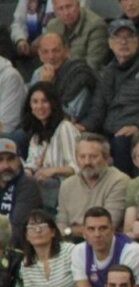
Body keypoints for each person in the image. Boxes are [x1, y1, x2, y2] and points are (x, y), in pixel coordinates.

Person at [80, 20, 139, 178]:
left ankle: (124, 190)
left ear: (137, 41)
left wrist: (138, 126)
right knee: (83, 142)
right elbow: (98, 108)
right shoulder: (108, 71)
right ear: (110, 43)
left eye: (129, 37)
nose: (123, 42)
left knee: (122, 141)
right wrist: (83, 127)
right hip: (110, 130)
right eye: (118, 38)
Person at [67, 207, 139, 287]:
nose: (97, 234)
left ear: (113, 230)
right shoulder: (79, 251)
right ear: (84, 233)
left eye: (103, 228)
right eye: (91, 229)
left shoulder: (132, 251)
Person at [20, 83, 79, 212]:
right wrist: (28, 171)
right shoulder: (36, 134)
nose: (39, 106)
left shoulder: (65, 128)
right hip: (43, 189)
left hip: (63, 191)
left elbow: (77, 167)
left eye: (44, 101)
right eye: (35, 102)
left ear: (53, 103)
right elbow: (32, 162)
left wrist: (53, 170)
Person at [56, 134, 129, 237]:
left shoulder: (119, 181)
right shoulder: (67, 185)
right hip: (70, 244)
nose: (87, 162)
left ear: (106, 157)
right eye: (82, 156)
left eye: (93, 156)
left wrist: (70, 231)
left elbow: (108, 226)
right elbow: (61, 223)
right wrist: (69, 231)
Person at [19, 210, 75, 287]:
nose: (37, 230)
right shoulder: (26, 263)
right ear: (26, 236)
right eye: (32, 227)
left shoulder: (70, 252)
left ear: (53, 232)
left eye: (42, 226)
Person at [25, 32, 95, 120]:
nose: (51, 57)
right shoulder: (38, 73)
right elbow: (30, 108)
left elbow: (71, 116)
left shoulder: (79, 74)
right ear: (40, 55)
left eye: (56, 51)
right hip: (39, 126)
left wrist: (46, 87)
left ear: (66, 51)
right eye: (45, 52)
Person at [43, 0, 107, 72]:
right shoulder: (53, 26)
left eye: (69, 6)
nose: (66, 13)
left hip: (86, 78)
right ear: (55, 11)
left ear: (78, 4)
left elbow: (92, 65)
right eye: (60, 8)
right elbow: (47, 60)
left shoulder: (96, 25)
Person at [0, 137, 40, 246]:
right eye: (0, 160)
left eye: (10, 159)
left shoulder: (28, 184)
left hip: (17, 250)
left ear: (19, 161)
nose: (6, 166)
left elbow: (17, 228)